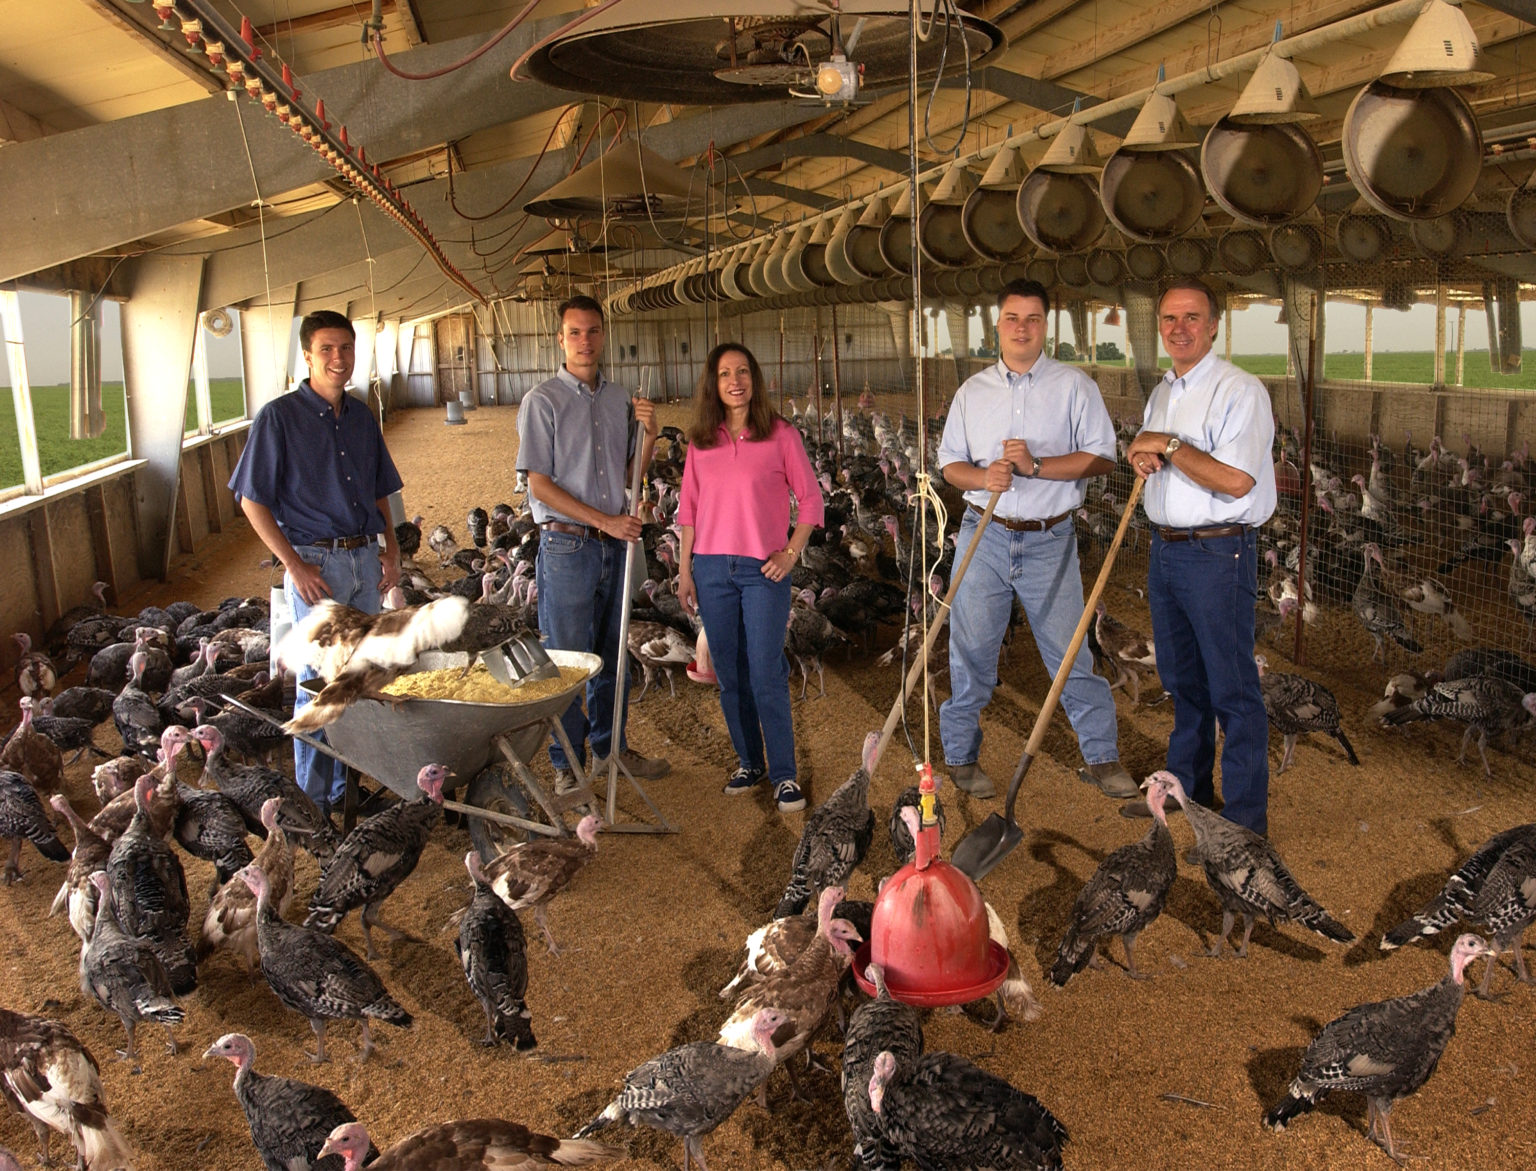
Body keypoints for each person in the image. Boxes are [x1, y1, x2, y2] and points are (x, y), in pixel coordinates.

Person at [937, 278, 1136, 801]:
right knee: (971, 650)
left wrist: (1037, 465)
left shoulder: (1074, 386)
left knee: (1070, 653)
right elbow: (949, 463)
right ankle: (960, 756)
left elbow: (1102, 456)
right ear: (996, 326)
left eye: (1032, 319)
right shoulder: (971, 392)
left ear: (1045, 326)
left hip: (1051, 539)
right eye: (1011, 318)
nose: (1021, 328)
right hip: (983, 534)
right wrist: (983, 478)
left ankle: (1101, 757)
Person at [229, 309, 403, 812]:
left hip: (363, 561)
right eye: (326, 349)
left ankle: (346, 788)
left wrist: (390, 549)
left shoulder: (363, 417)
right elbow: (250, 501)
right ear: (306, 356)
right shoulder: (279, 418)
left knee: (361, 679)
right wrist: (293, 565)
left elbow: (378, 494)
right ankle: (314, 804)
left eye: (345, 348)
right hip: (317, 567)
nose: (338, 358)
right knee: (320, 687)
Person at [1123, 278, 1277, 836]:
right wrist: (1140, 452)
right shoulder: (1165, 389)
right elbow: (1145, 439)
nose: (1179, 328)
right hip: (1166, 551)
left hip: (1218, 551)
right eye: (1169, 319)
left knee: (1232, 689)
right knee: (1183, 681)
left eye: (1192, 318)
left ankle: (1241, 824)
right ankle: (1185, 791)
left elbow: (1237, 480)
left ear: (1214, 325)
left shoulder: (1241, 390)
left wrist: (1166, 446)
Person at [516, 294, 669, 790]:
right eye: (575, 333)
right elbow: (538, 484)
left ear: (604, 336)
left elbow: (631, 478)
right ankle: (567, 765)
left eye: (593, 331)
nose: (585, 341)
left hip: (614, 543)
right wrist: (604, 522)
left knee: (612, 654)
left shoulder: (621, 398)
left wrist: (650, 434)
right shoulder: (542, 402)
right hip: (567, 547)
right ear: (560, 340)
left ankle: (610, 749)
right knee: (566, 662)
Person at [675, 343, 824, 814]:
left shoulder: (781, 435)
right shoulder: (702, 442)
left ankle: (783, 774)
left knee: (765, 671)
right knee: (729, 672)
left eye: (742, 371)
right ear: (713, 384)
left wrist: (790, 552)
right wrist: (684, 569)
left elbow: (812, 501)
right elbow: (689, 512)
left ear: (755, 379)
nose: (735, 381)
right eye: (724, 374)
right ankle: (748, 762)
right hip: (712, 568)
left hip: (763, 571)